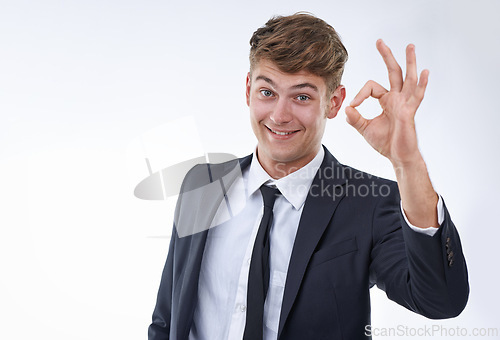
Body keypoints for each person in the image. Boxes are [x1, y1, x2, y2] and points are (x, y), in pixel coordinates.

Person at [148, 13, 469, 340]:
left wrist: (407, 161)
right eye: (267, 92)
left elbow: (440, 301)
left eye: (301, 96)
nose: (279, 115)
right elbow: (166, 320)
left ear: (334, 102)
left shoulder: (369, 203)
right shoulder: (202, 186)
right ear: (248, 89)